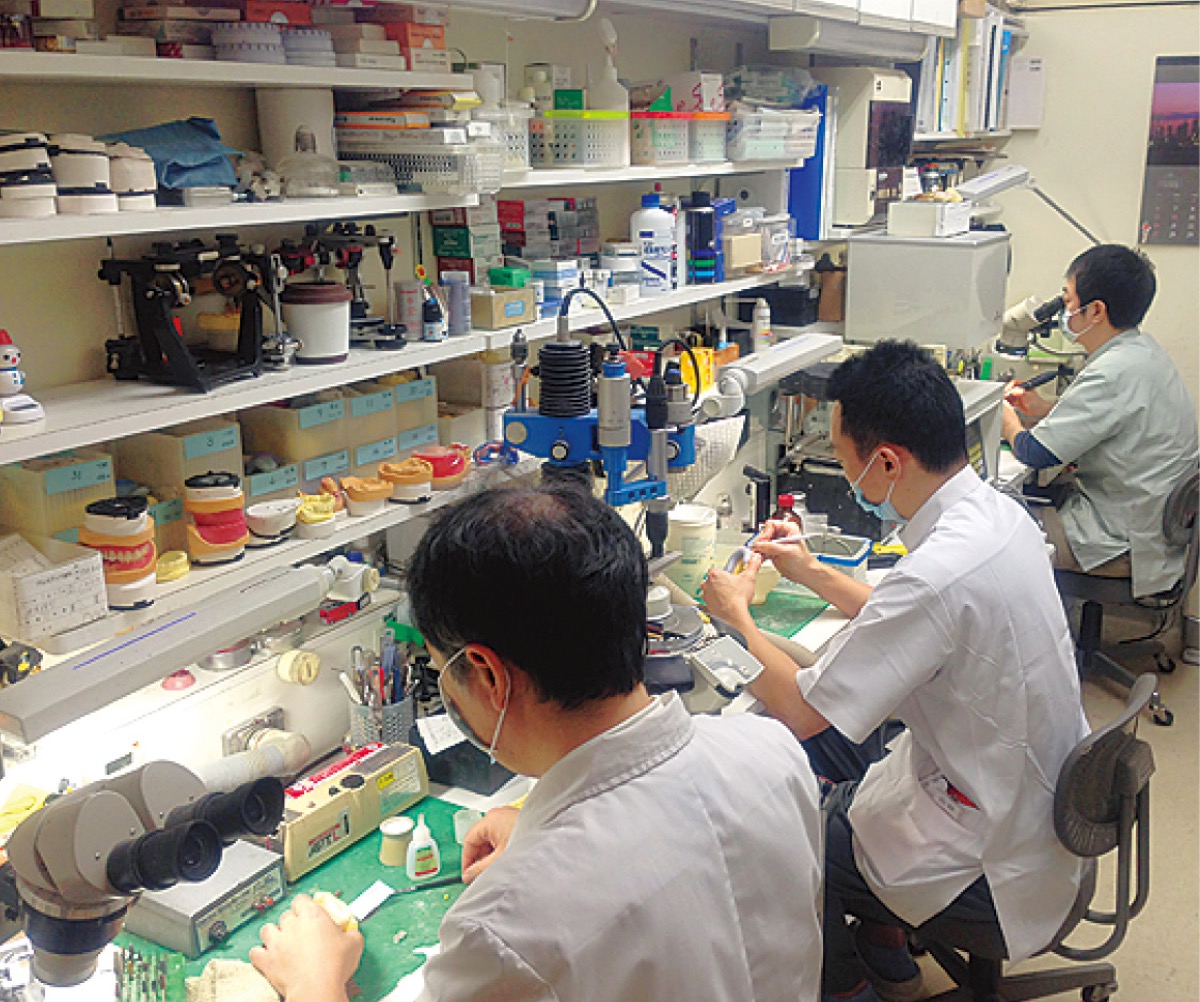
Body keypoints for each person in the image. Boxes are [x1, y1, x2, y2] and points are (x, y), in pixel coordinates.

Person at [251, 484, 825, 1002]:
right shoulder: (771, 752)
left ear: (488, 675)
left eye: (439, 668)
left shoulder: (508, 928)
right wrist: (539, 832)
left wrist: (314, 981)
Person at [703, 341, 1090, 1002]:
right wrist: (812, 571)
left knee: (783, 840)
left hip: (996, 859)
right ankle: (885, 946)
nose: (846, 474)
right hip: (1036, 804)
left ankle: (848, 985)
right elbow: (912, 617)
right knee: (854, 752)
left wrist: (734, 618)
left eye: (843, 459)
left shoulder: (936, 575)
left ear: (886, 462)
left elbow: (801, 709)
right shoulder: (997, 516)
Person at [1002, 243, 1198, 597]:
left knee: (997, 533)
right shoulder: (1143, 352)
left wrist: (1002, 418)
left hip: (1118, 539)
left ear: (1095, 310)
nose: (1064, 310)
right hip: (1151, 526)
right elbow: (1116, 422)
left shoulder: (1112, 371)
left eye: (1067, 299)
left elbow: (1035, 453)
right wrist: (1044, 409)